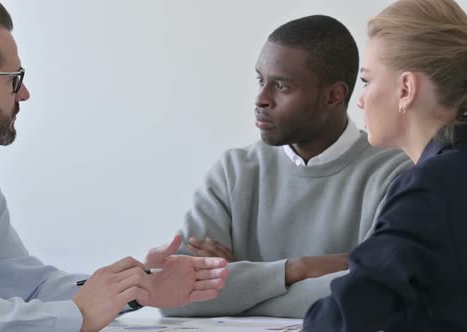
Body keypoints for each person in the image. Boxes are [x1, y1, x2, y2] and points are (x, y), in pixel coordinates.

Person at [0, 1, 229, 331]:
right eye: (14, 78)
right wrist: (79, 316)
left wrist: (136, 285)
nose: (25, 93)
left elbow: (29, 285)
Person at [147, 15, 411, 318]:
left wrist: (240, 286)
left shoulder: (395, 175)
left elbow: (371, 296)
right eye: (261, 80)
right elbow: (173, 296)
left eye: (281, 86)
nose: (261, 99)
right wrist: (297, 269)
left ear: (333, 96)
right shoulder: (234, 171)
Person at [302, 0, 467, 331]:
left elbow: (348, 313)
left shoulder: (431, 186)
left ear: (405, 89)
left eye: (366, 80)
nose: (360, 100)